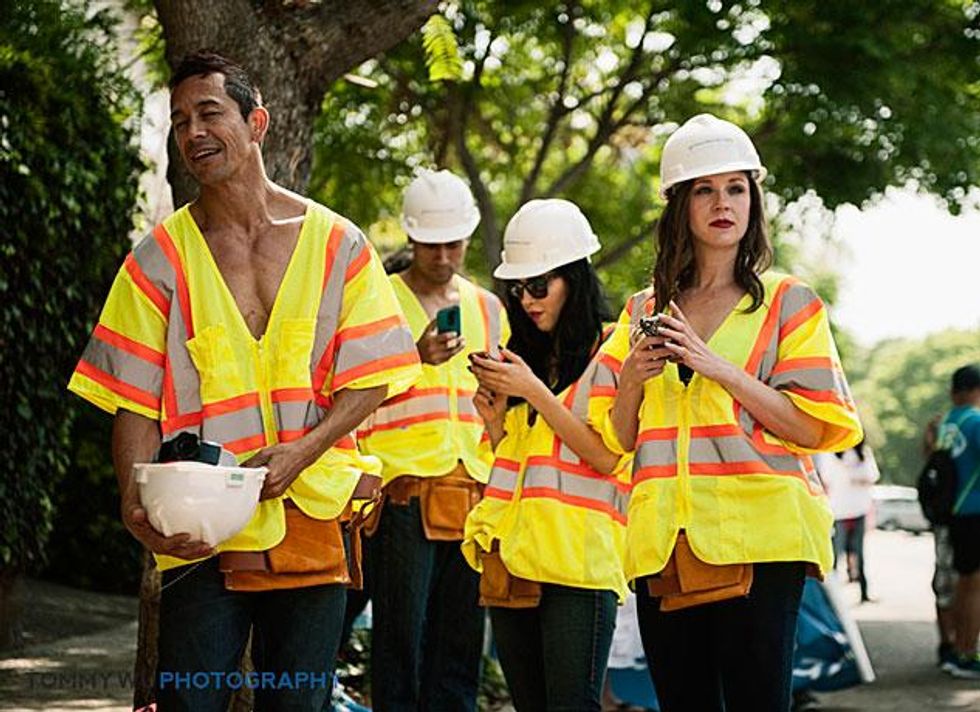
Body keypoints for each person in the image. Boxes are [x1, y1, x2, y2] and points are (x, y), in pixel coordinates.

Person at [67, 51, 421, 711]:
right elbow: (133, 402)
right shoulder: (156, 260)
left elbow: (375, 377)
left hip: (311, 515)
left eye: (209, 113)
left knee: (298, 705)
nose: (193, 132)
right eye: (180, 121)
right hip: (197, 527)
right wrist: (133, 504)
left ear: (256, 122)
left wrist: (303, 451)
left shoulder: (338, 244)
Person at [596, 113, 863, 712]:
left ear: (753, 201)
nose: (723, 203)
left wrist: (717, 367)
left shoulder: (790, 302)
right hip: (666, 542)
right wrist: (632, 379)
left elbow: (813, 428)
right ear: (680, 206)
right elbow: (619, 437)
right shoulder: (643, 310)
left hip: (762, 538)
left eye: (736, 188)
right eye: (705, 190)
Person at [463, 199, 630, 712]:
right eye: (518, 289)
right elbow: (522, 467)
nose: (527, 300)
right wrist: (496, 421)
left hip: (580, 565)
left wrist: (533, 392)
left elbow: (607, 457)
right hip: (514, 556)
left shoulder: (613, 347)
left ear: (573, 279)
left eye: (539, 285)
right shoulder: (526, 357)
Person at [355, 169, 509, 711]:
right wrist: (414, 357)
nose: (443, 257)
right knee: (400, 646)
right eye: (430, 244)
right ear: (410, 237)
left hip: (472, 494)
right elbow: (349, 394)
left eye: (453, 244)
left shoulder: (488, 308)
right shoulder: (377, 300)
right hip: (403, 498)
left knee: (460, 648)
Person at [938, 364, 980, 678]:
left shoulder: (947, 422)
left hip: (954, 513)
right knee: (974, 586)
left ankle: (956, 650)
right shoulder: (975, 421)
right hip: (975, 509)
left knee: (963, 584)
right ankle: (967, 653)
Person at [815, 439, 881, 602]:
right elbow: (825, 478)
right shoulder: (829, 453)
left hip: (859, 510)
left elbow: (872, 475)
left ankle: (864, 593)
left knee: (860, 554)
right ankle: (832, 597)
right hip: (838, 512)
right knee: (835, 556)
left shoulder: (863, 453)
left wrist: (851, 475)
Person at [923, 414, 959, 670]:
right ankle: (950, 644)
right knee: (948, 587)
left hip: (948, 525)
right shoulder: (940, 461)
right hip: (950, 525)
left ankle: (951, 644)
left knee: (949, 587)